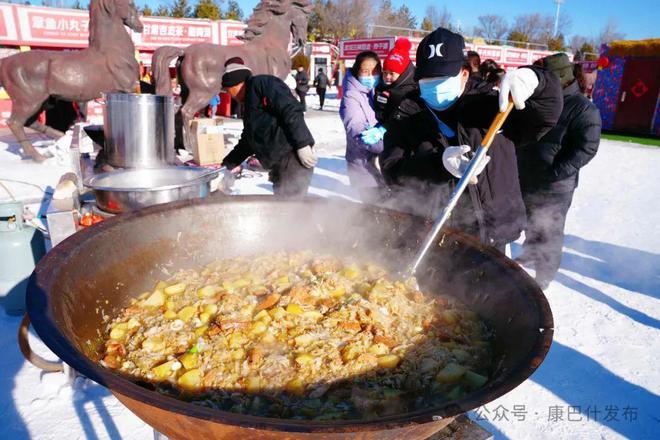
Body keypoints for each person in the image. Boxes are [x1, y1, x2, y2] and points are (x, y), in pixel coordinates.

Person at [380, 27, 563, 250]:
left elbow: (543, 118)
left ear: (464, 73)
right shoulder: (406, 115)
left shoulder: (493, 106)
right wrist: (438, 164)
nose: (433, 85)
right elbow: (392, 168)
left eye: (442, 77)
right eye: (427, 78)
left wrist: (539, 81)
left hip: (492, 228)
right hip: (435, 230)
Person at [516, 53, 601, 289]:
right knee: (531, 222)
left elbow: (587, 147)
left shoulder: (583, 108)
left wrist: (555, 173)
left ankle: (545, 274)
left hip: (555, 185)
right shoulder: (537, 102)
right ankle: (529, 253)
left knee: (550, 231)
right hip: (528, 177)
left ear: (559, 79)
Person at [220, 59, 317, 198]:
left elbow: (290, 109)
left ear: (237, 83)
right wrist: (227, 165)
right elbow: (248, 140)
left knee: (292, 209)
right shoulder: (248, 104)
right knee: (281, 207)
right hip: (278, 164)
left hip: (293, 157)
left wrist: (303, 144)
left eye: (229, 90)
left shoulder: (262, 83)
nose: (230, 95)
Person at [339, 51, 385, 202]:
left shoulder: (377, 90)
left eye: (375, 71)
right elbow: (356, 130)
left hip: (380, 165)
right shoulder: (351, 96)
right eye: (365, 71)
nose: (371, 75)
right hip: (363, 167)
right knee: (376, 212)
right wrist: (389, 143)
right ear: (357, 71)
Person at [374, 38, 417, 129]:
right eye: (385, 73)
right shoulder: (382, 86)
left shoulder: (411, 91)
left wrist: (385, 127)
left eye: (392, 73)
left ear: (402, 73)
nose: (388, 77)